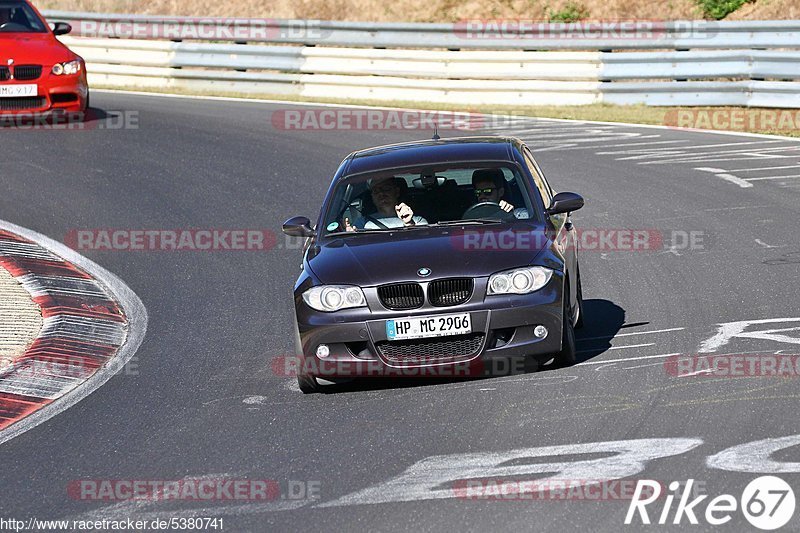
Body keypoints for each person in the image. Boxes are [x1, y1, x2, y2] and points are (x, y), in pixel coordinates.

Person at [346, 177, 427, 231]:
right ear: (372, 197)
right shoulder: (361, 223)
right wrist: (351, 236)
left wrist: (409, 224)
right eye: (376, 191)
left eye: (386, 189)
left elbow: (425, 244)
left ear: (397, 192)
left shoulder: (417, 221)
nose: (381, 194)